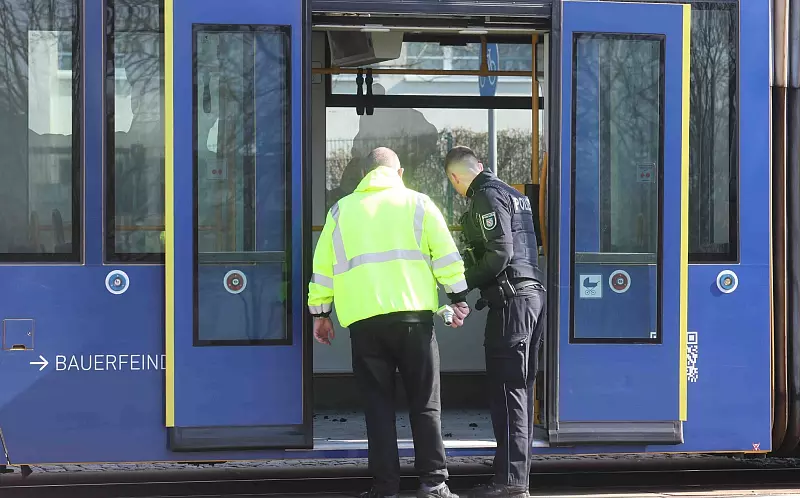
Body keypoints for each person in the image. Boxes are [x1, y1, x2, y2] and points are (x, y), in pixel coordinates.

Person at [308, 147, 471, 498]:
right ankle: (433, 483)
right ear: (399, 173)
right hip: (414, 322)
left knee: (378, 408)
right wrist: (458, 297)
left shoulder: (341, 211)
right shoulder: (419, 204)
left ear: (364, 175)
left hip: (365, 325)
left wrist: (321, 314)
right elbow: (446, 255)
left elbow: (322, 269)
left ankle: (385, 488)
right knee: (425, 404)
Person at [443, 146, 546, 498]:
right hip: (530, 298)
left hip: (512, 304)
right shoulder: (514, 195)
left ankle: (510, 483)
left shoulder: (486, 196)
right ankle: (513, 478)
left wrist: (460, 285)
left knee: (508, 394)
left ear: (455, 177)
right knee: (520, 391)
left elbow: (500, 253)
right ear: (480, 165)